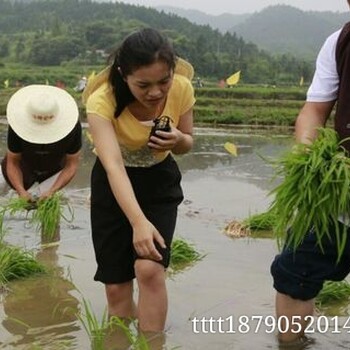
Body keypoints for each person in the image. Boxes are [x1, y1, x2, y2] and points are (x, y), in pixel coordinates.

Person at [83, 27, 195, 334]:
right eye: (143, 85)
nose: (156, 92)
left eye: (164, 81)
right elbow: (114, 166)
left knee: (148, 269)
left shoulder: (182, 88)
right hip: (114, 186)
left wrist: (177, 140)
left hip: (159, 182)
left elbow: (188, 144)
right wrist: (137, 222)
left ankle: (151, 343)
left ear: (173, 71)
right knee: (117, 287)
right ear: (123, 74)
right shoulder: (101, 100)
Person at [270, 4, 350, 346]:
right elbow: (314, 111)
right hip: (339, 193)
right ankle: (291, 345)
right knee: (293, 271)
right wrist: (308, 158)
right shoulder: (339, 42)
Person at [1, 84, 82, 203]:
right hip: (24, 166)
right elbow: (13, 162)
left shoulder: (72, 128)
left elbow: (71, 165)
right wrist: (21, 191)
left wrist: (52, 190)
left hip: (54, 169)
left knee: (48, 207)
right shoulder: (17, 125)